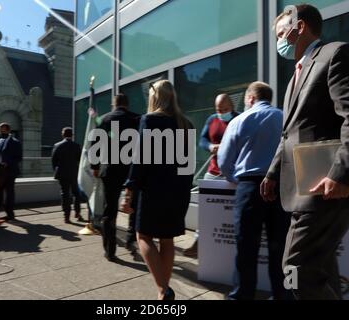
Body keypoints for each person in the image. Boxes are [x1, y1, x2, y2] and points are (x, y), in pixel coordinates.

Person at [261, 4, 349, 300]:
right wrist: (272, 173)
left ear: (301, 26)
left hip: (329, 185)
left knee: (294, 267)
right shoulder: (296, 75)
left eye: (282, 33)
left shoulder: (337, 54)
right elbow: (289, 133)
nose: (279, 42)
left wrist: (342, 173)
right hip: (305, 184)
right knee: (318, 262)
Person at [120, 80, 194, 300]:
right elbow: (187, 167)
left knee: (143, 236)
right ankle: (163, 292)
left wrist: (129, 192)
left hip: (153, 190)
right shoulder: (186, 124)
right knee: (167, 239)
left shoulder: (149, 120)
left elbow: (140, 159)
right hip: (178, 192)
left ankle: (163, 289)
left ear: (155, 98)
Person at [218, 82, 292, 300]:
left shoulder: (240, 120)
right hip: (282, 187)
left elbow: (224, 161)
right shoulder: (285, 117)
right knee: (281, 247)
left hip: (249, 188)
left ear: (250, 98)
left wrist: (235, 178)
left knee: (246, 246)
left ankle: (242, 295)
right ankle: (284, 295)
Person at [183, 94, 239, 258]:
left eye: (225, 109)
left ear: (232, 107)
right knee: (205, 210)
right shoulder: (212, 119)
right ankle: (198, 244)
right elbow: (202, 140)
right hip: (213, 171)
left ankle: (228, 247)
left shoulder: (239, 119)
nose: (221, 113)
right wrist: (210, 146)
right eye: (218, 110)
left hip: (232, 173)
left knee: (230, 212)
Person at [90, 93, 140, 262]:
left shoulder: (104, 120)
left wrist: (95, 166)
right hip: (131, 170)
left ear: (114, 104)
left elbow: (95, 144)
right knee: (133, 206)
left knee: (109, 210)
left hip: (110, 170)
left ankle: (110, 250)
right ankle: (131, 239)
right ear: (128, 104)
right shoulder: (137, 119)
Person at [52, 127, 83, 223]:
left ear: (63, 134)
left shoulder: (57, 145)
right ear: (72, 135)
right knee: (76, 194)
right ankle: (77, 213)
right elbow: (80, 160)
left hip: (62, 173)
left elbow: (53, 160)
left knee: (65, 194)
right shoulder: (77, 146)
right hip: (74, 173)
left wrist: (57, 170)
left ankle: (66, 217)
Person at [0, 122, 23, 221]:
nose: (0, 132)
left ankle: (10, 214)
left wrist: (7, 163)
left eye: (2, 130)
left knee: (9, 193)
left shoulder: (15, 142)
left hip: (10, 172)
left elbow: (18, 157)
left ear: (9, 130)